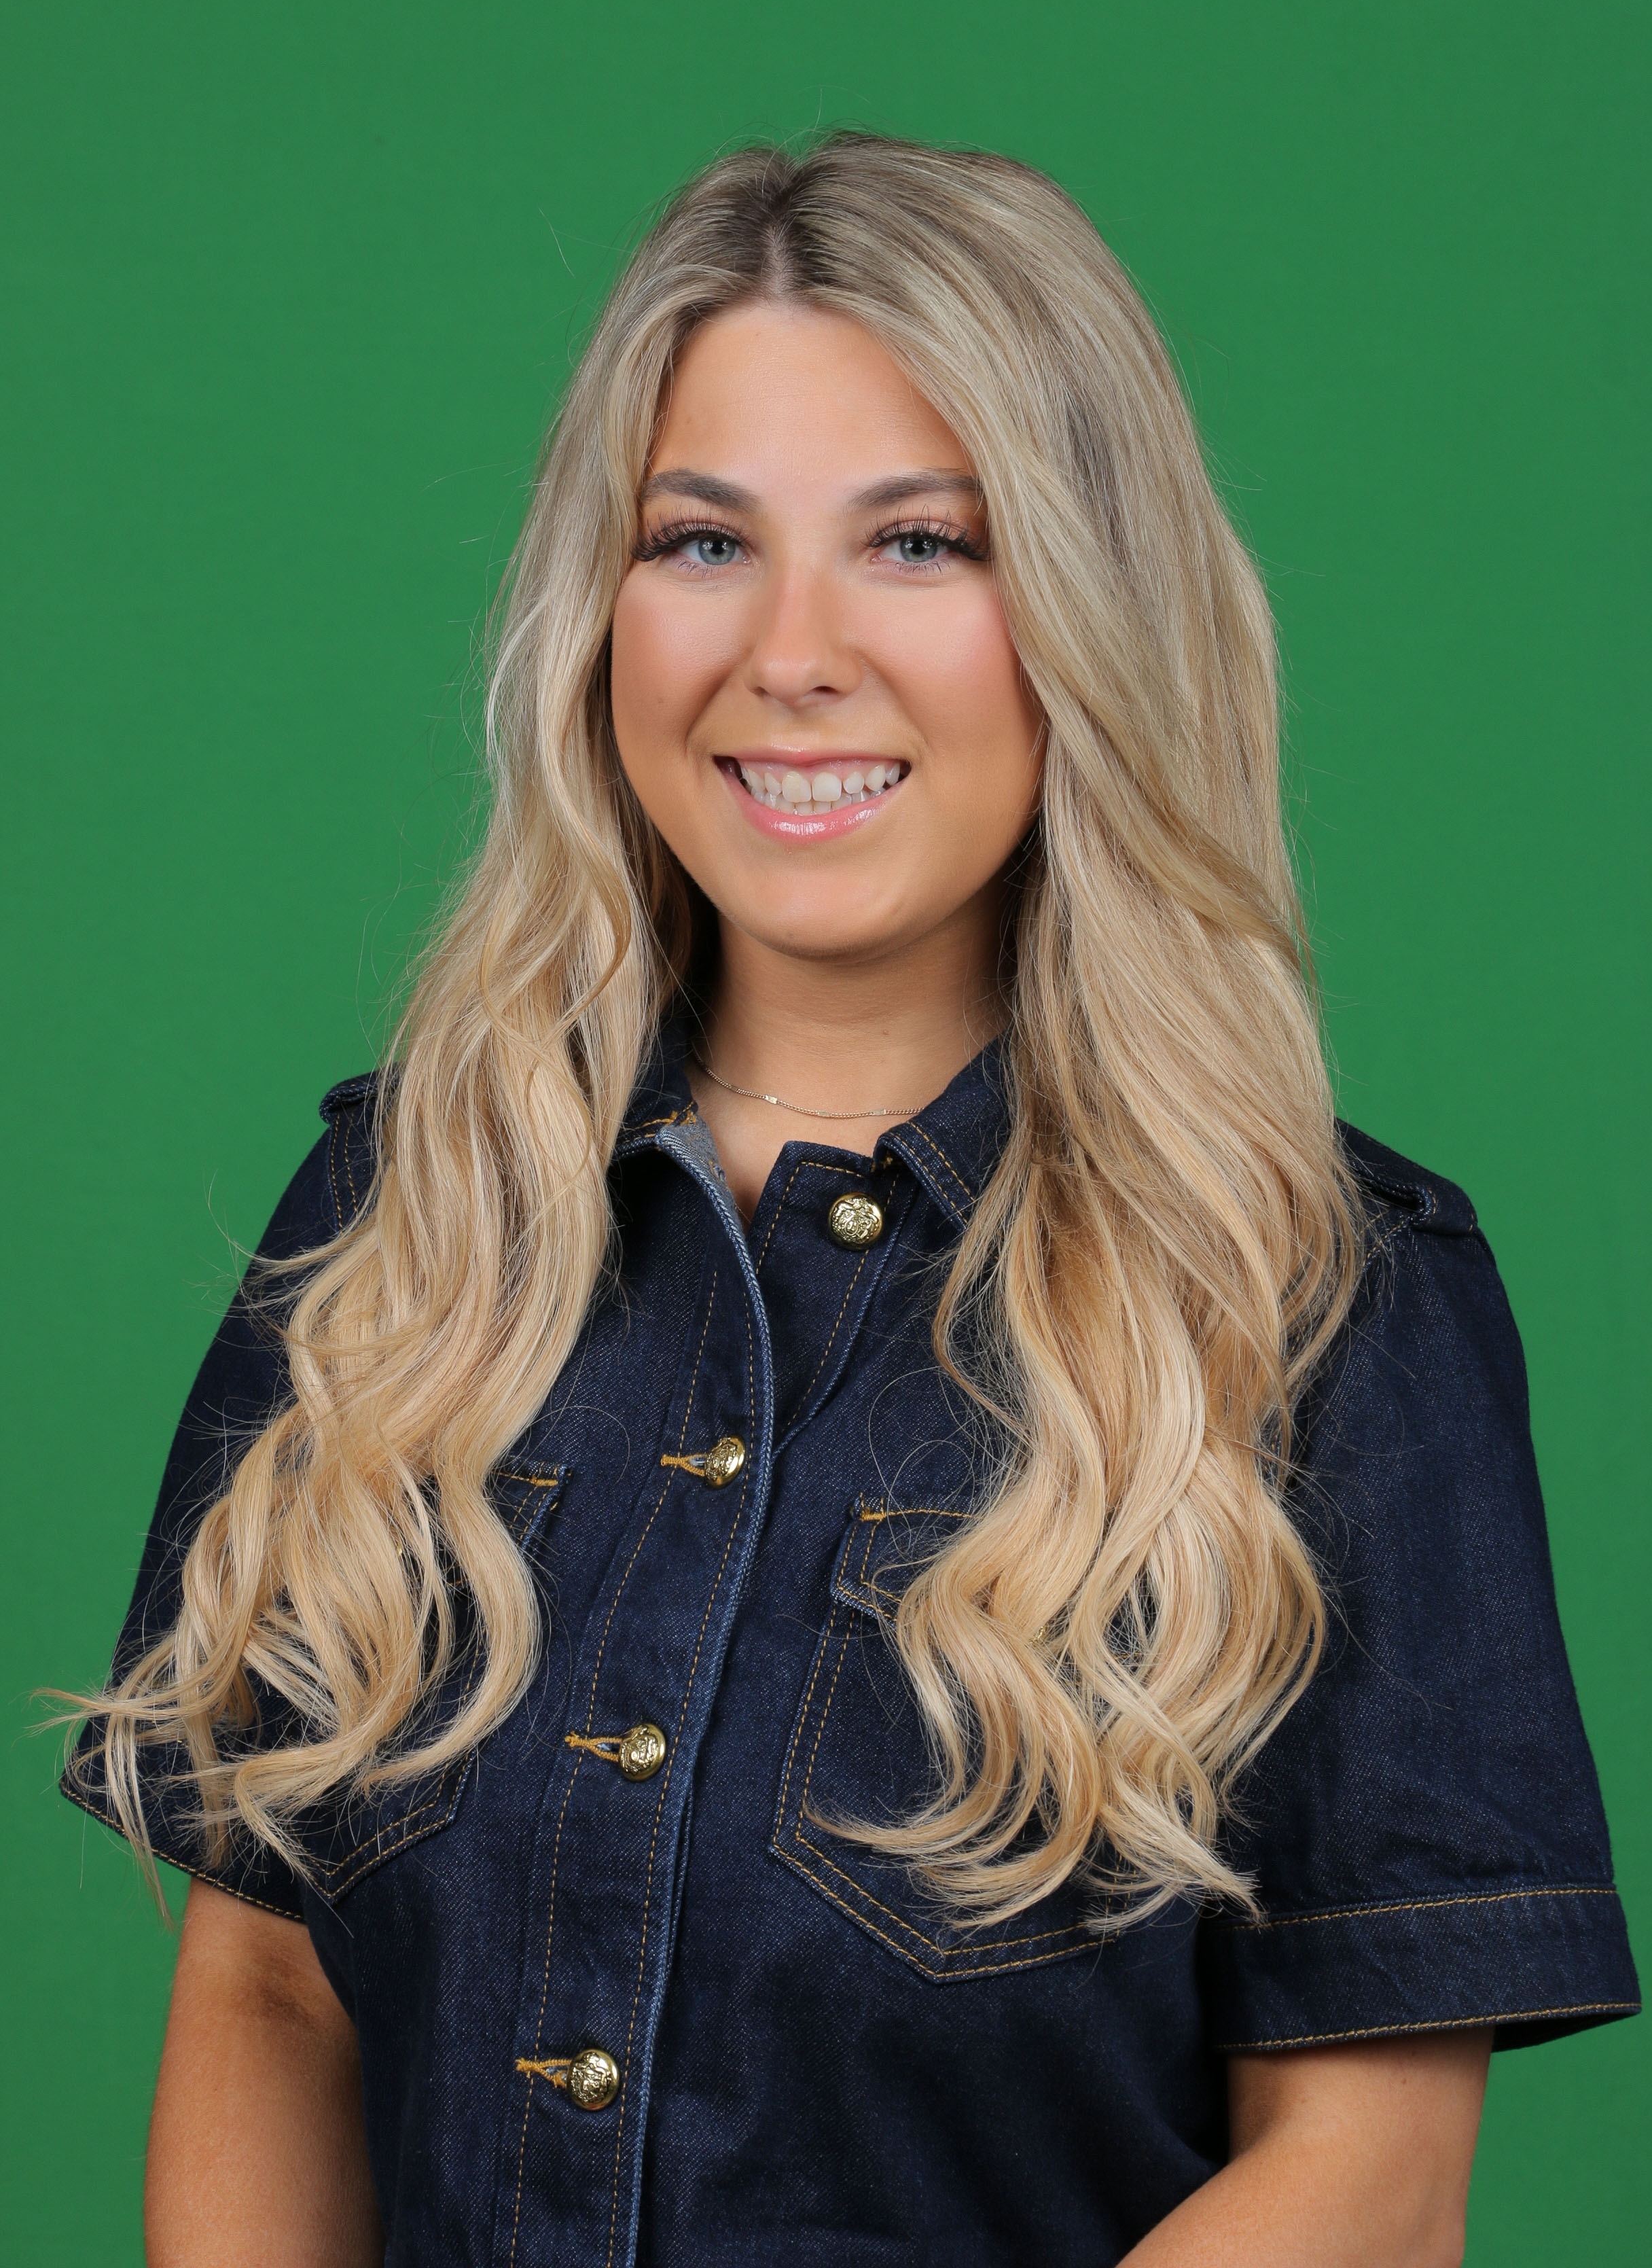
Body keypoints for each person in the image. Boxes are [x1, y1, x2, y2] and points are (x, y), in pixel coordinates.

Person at [62, 135, 1636, 2268]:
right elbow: (267, 1988)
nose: (789, 652)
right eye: (703, 540)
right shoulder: (405, 1216)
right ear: (598, 612)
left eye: (919, 542)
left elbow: (1366, 2178)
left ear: (1088, 610)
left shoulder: (1333, 1308)